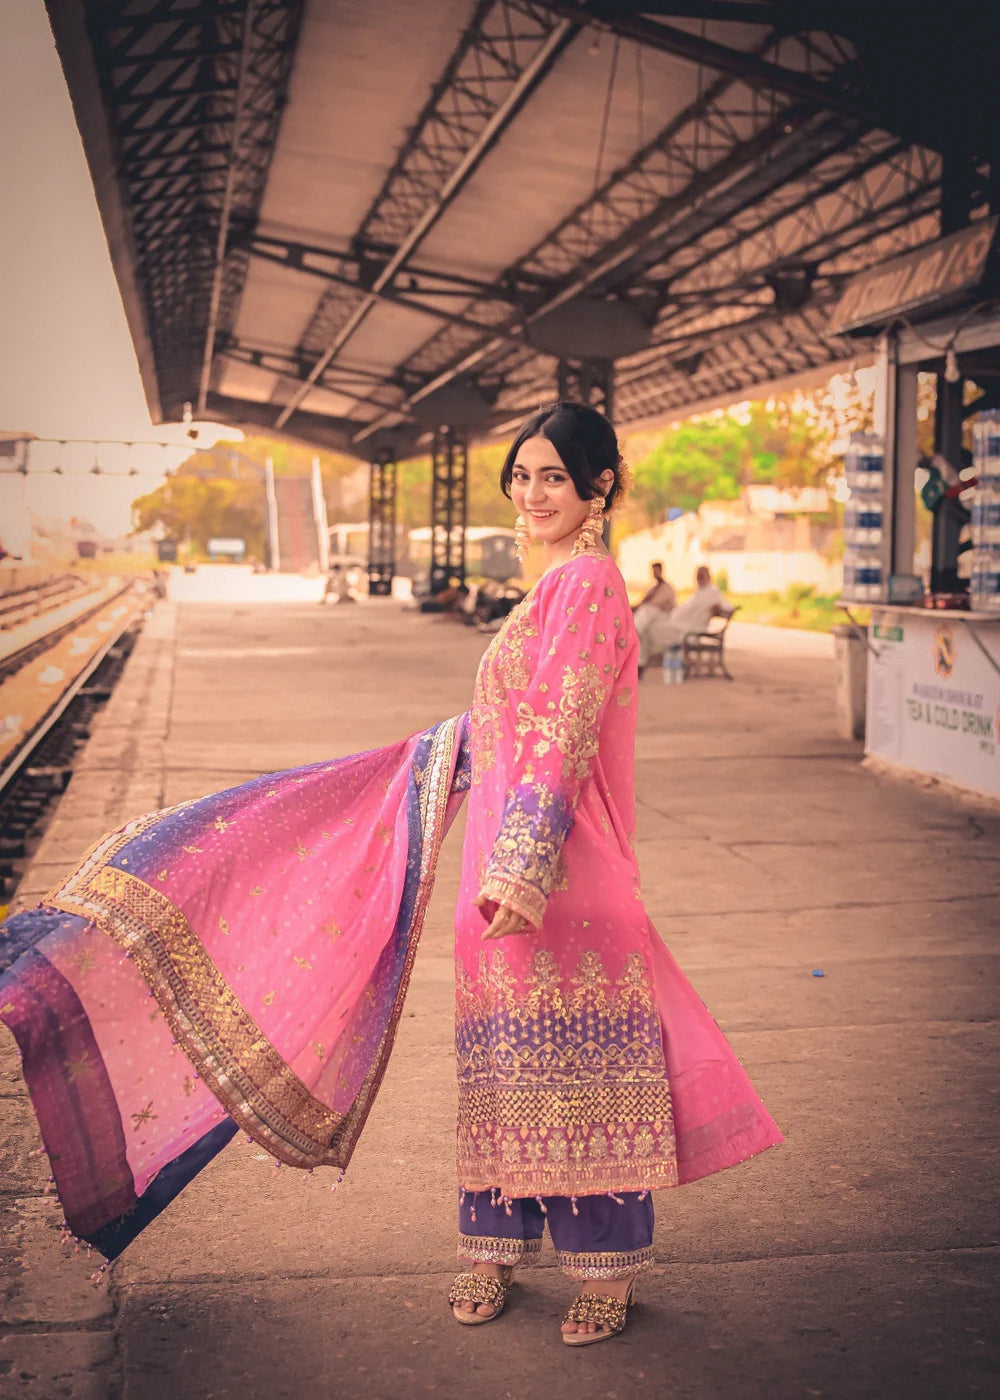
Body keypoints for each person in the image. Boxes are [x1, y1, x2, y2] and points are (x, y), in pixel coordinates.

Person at [0, 403, 780, 1345]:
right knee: (502, 1075)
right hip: (501, 873)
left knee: (578, 1074)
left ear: (598, 487)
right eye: (522, 476)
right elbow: (507, 724)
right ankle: (491, 1253)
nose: (531, 495)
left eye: (552, 479)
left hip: (557, 880)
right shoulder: (551, 588)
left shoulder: (587, 586)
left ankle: (606, 1274)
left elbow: (564, 732)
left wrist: (522, 866)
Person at [636, 564, 731, 675]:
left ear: (709, 577)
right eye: (698, 576)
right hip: (676, 622)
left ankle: (640, 661)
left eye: (702, 576)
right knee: (648, 613)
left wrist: (718, 608)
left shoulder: (712, 592)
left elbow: (727, 607)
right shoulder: (699, 591)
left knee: (650, 627)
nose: (699, 579)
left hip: (687, 629)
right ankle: (639, 655)